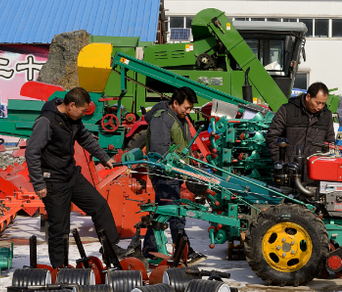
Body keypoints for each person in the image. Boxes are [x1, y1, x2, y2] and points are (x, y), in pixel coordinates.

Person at [25, 87, 129, 268]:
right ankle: (60, 270)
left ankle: (111, 249)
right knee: (60, 229)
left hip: (71, 175)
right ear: (71, 105)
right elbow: (32, 153)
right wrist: (39, 183)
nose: (83, 114)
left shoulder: (73, 119)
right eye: (82, 111)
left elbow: (87, 139)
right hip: (53, 181)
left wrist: (105, 158)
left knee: (100, 206)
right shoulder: (46, 121)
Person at [143, 86, 207, 264]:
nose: (188, 112)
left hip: (175, 172)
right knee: (176, 212)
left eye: (190, 108)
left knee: (161, 212)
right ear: (175, 103)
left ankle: (149, 250)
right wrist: (177, 166)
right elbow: (160, 150)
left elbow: (179, 144)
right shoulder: (162, 119)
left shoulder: (178, 117)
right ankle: (184, 250)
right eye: (186, 108)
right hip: (165, 172)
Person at [266, 82, 336, 163]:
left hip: (314, 171)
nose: (320, 107)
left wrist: (321, 165)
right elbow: (272, 137)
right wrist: (281, 162)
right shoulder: (287, 110)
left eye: (323, 104)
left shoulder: (326, 116)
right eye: (317, 103)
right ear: (308, 97)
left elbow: (330, 144)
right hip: (289, 169)